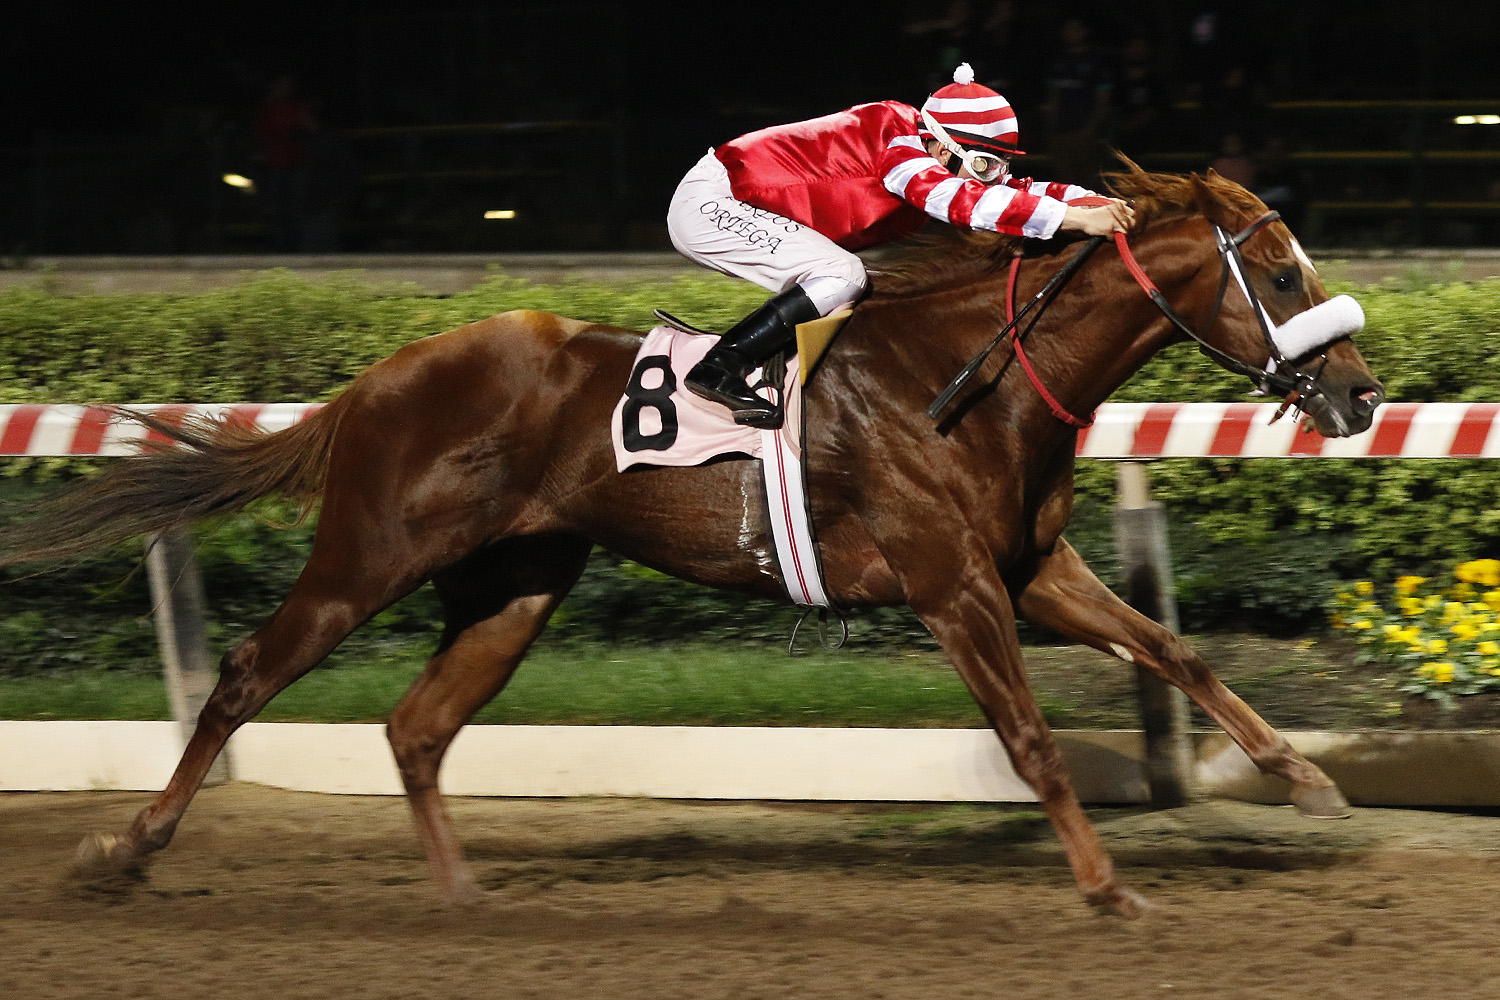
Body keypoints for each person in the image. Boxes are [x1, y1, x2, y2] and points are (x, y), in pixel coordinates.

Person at [668, 63, 1134, 427]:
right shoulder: (899, 144)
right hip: (714, 201)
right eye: (984, 166)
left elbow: (1019, 192)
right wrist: (1075, 220)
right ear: (943, 147)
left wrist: (1106, 205)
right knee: (843, 276)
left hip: (744, 201)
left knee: (859, 285)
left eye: (1000, 166)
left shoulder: (930, 146)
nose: (994, 178)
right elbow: (959, 202)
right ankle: (719, 367)